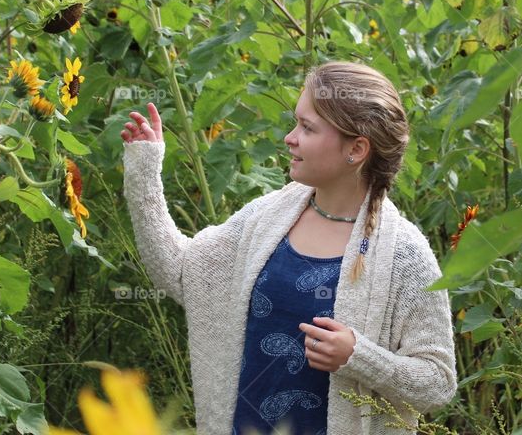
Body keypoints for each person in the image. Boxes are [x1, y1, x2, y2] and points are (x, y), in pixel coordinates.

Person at [120, 61, 458, 435]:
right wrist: (144, 172)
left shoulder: (404, 255)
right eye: (296, 122)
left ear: (357, 149)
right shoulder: (268, 217)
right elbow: (182, 273)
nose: (290, 137)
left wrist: (357, 356)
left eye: (307, 127)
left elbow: (437, 383)